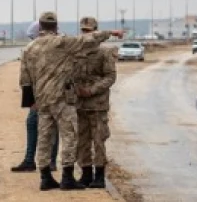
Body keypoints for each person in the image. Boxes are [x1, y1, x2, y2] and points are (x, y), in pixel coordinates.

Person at [20, 11, 122, 191]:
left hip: (42, 99)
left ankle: (45, 176)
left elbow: (25, 79)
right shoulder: (63, 43)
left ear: (40, 26)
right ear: (56, 26)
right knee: (70, 135)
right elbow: (88, 40)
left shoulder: (29, 48)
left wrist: (30, 101)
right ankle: (67, 176)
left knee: (44, 137)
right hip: (61, 98)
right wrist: (111, 33)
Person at [73, 16, 117, 188]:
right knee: (82, 140)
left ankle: (99, 175)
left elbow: (110, 77)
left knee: (99, 140)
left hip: (97, 104)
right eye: (84, 31)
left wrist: (92, 90)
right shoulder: (75, 53)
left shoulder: (104, 53)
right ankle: (85, 173)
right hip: (79, 104)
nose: (86, 35)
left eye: (89, 31)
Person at [11, 20, 59, 172]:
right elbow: (26, 78)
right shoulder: (33, 50)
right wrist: (30, 101)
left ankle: (49, 161)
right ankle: (31, 160)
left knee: (52, 128)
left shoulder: (59, 47)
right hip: (38, 96)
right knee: (33, 124)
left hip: (53, 95)